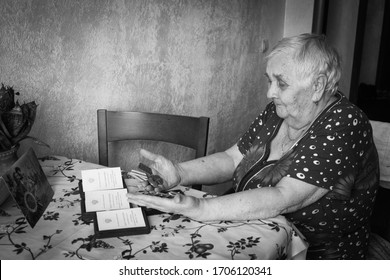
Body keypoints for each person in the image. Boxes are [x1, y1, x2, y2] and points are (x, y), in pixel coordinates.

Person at [127, 33, 379, 260]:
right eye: (269, 81)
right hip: (249, 228)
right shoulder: (277, 111)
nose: (270, 92)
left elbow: (285, 197)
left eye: (281, 83)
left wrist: (201, 207)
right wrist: (180, 173)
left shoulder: (346, 122)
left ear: (317, 86)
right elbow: (232, 158)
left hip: (313, 255)